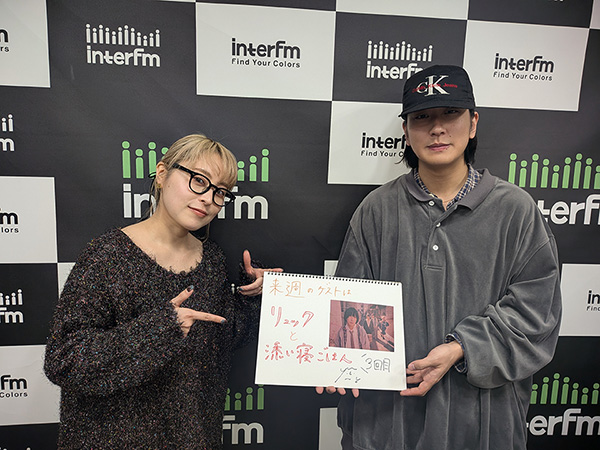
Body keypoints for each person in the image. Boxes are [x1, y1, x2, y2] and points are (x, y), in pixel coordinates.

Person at [318, 65, 562, 450]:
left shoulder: (516, 211)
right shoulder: (376, 210)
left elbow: (537, 314)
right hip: (388, 421)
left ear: (473, 122)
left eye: (450, 113)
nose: (436, 128)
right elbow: (350, 306)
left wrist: (462, 347)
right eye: (422, 117)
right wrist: (339, 358)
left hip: (481, 421)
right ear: (406, 130)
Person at [44, 134, 282, 449]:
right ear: (162, 174)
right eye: (199, 180)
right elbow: (64, 361)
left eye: (220, 191)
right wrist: (160, 329)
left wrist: (252, 296)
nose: (208, 198)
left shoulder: (212, 260)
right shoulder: (108, 255)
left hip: (191, 438)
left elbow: (223, 339)